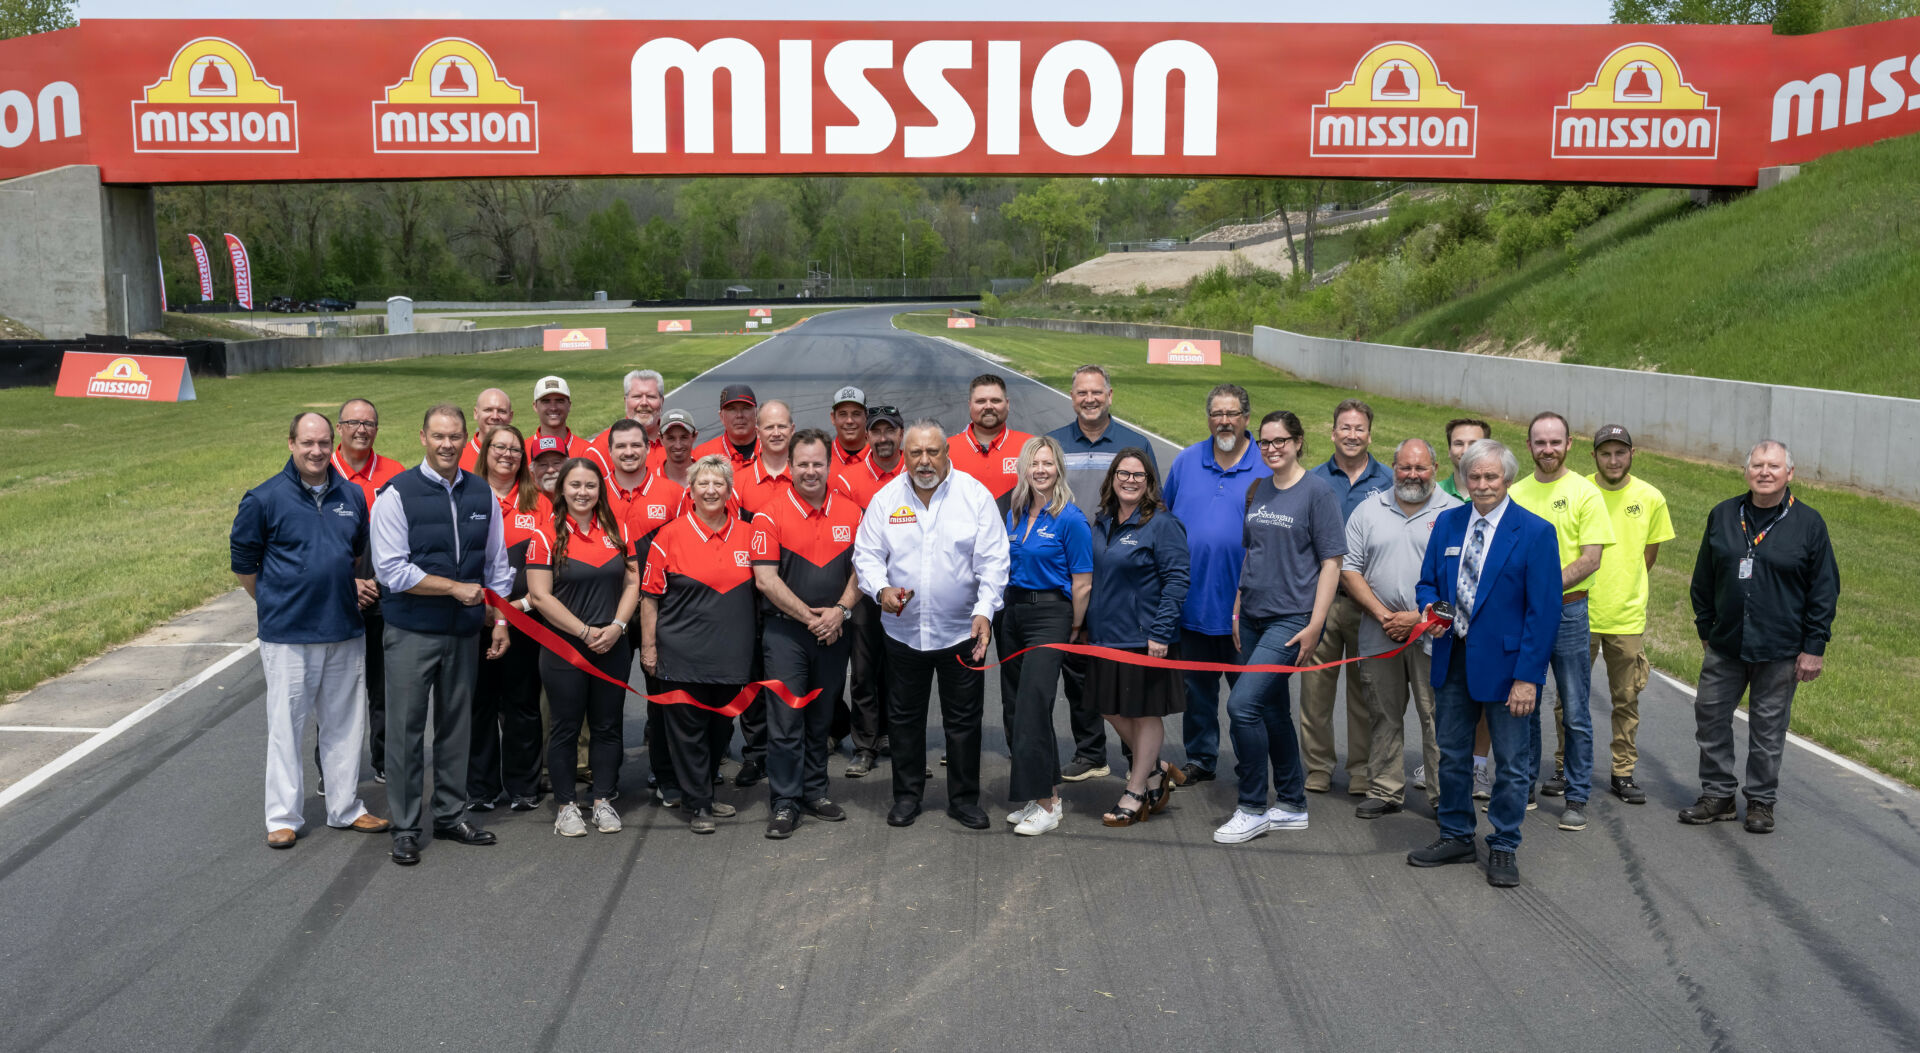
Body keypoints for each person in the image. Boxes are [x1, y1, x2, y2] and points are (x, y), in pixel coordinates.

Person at [231, 412, 390, 848]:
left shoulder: (352, 495)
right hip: (288, 635)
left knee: (344, 725)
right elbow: (244, 564)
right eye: (308, 443)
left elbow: (355, 553)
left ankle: (345, 808)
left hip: (344, 629)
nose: (317, 451)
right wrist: (272, 602)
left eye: (323, 443)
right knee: (287, 727)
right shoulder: (263, 499)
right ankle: (282, 817)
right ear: (291, 444)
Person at [1408, 439, 1562, 888]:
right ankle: (1456, 834)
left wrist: (1528, 679)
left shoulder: (1534, 532)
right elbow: (1426, 583)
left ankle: (1504, 844)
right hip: (1452, 659)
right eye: (1474, 477)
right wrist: (1431, 608)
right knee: (1452, 755)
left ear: (1508, 480)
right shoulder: (1448, 523)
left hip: (1509, 669)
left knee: (1512, 764)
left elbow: (1543, 612)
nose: (1481, 485)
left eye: (1491, 477)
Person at [370, 403, 513, 866]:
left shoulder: (482, 494)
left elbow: (496, 566)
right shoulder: (396, 494)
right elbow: (391, 570)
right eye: (438, 436)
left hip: (464, 633)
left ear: (466, 437)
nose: (447, 444)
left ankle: (450, 816)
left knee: (456, 730)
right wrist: (455, 588)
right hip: (412, 632)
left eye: (455, 436)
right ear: (422, 438)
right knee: (406, 732)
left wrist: (500, 618)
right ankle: (407, 826)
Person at [853, 420, 1009, 830]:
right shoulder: (886, 499)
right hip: (903, 634)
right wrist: (880, 588)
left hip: (961, 631)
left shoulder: (974, 496)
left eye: (932, 452)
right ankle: (906, 797)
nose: (924, 461)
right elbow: (866, 555)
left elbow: (994, 561)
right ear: (904, 456)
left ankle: (963, 799)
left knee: (963, 722)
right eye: (916, 453)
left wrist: (985, 610)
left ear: (947, 453)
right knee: (904, 720)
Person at [1682, 440, 1838, 835]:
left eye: (1774, 466)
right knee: (1710, 718)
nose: (1764, 472)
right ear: (1746, 471)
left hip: (1780, 648)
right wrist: (1706, 628)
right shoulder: (1723, 514)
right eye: (1757, 465)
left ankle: (1761, 801)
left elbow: (1823, 590)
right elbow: (1703, 578)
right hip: (1726, 644)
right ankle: (1717, 795)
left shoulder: (1809, 524)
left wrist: (1813, 648)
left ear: (1790, 474)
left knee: (1768, 730)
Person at [1214, 411, 1345, 845]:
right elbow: (1252, 553)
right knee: (1270, 710)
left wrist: (1315, 624)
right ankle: (1291, 803)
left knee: (1242, 707)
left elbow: (1332, 563)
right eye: (1265, 442)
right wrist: (1236, 606)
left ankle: (1252, 806)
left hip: (1291, 619)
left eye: (1280, 441)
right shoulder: (1260, 489)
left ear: (1299, 442)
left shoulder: (1317, 493)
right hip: (1251, 614)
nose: (1272, 449)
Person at [1045, 363, 1158, 782]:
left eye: (1097, 392)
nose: (1089, 399)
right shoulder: (1054, 443)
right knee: (1078, 663)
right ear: (1071, 397)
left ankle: (1138, 758)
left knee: (1125, 666)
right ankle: (1090, 750)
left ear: (1110, 395)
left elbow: (1153, 505)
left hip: (1121, 567)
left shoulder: (1134, 442)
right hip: (1068, 567)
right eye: (1081, 393)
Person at [749, 429, 861, 838]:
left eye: (818, 464)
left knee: (821, 718)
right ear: (790, 467)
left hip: (835, 632)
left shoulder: (852, 513)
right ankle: (784, 801)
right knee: (785, 720)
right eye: (803, 464)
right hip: (785, 635)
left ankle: (815, 791)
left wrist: (840, 612)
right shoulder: (768, 514)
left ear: (829, 465)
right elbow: (765, 579)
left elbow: (862, 572)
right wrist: (809, 618)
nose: (811, 471)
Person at [1341, 438, 1458, 818]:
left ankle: (1445, 797)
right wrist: (1381, 614)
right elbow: (1349, 568)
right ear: (1394, 468)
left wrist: (1419, 619)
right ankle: (1386, 789)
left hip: (1434, 636)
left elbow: (1461, 581)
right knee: (1383, 713)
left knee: (1436, 716)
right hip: (1380, 632)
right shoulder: (1367, 510)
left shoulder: (1455, 512)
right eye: (1405, 467)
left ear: (1434, 470)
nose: (1412, 475)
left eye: (1420, 468)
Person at [1508, 411, 1614, 832]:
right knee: (1523, 702)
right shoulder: (1514, 492)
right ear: (1529, 445)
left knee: (1574, 709)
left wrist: (1544, 589)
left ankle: (1576, 796)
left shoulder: (1585, 493)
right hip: (1521, 613)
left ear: (1569, 444)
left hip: (1569, 611)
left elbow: (1591, 558)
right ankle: (1525, 787)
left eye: (1555, 442)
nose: (1547, 449)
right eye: (1540, 442)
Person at [641, 454, 757, 833]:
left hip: (731, 656)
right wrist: (649, 647)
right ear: (690, 491)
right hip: (681, 654)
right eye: (703, 484)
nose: (710, 490)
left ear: (729, 490)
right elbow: (650, 597)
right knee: (688, 731)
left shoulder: (747, 534)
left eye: (718, 483)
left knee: (721, 729)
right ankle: (699, 804)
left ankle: (704, 790)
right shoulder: (669, 535)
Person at [528, 458, 640, 838]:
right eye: (574, 485)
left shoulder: (619, 529)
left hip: (613, 645)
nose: (582, 492)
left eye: (590, 485)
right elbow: (540, 597)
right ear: (561, 489)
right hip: (565, 650)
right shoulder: (545, 536)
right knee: (565, 727)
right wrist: (584, 631)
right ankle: (565, 805)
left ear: (599, 490)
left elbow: (631, 584)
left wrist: (618, 626)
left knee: (608, 726)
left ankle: (604, 799)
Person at [1085, 449, 1190, 829]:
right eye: (1123, 473)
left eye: (1139, 475)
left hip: (1146, 638)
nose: (1130, 480)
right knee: (1108, 707)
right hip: (1105, 636)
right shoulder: (1102, 522)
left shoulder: (1162, 524)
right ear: (1112, 478)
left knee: (1145, 712)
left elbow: (1177, 581)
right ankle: (1156, 767)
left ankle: (1136, 789)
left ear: (1149, 483)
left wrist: (1161, 631)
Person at [1163, 383, 1261, 785]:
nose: (1224, 421)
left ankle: (1251, 763)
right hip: (1193, 604)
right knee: (1196, 693)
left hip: (1247, 610)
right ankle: (1201, 758)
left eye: (1232, 413)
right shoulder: (1186, 462)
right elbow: (1165, 520)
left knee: (1247, 699)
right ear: (1208, 419)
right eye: (1217, 414)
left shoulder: (1267, 467)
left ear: (1246, 419)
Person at [995, 436, 1092, 837]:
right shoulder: (1014, 513)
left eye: (1048, 464)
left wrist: (1071, 627)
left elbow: (1082, 583)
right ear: (1024, 468)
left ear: (1058, 469)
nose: (1040, 471)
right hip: (1013, 613)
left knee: (1035, 704)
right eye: (1034, 464)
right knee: (1017, 707)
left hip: (1051, 614)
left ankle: (1049, 805)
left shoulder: (1071, 518)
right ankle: (1044, 792)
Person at [1299, 399, 1393, 797]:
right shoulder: (1313, 479)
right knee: (1315, 691)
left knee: (1364, 692)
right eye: (1345, 428)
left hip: (1366, 604)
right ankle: (1318, 767)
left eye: (1359, 429)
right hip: (1318, 601)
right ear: (1332, 432)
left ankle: (1360, 768)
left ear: (1369, 435)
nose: (1352, 435)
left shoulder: (1389, 480)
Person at [1586, 425, 1674, 805]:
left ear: (1632, 454)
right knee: (1569, 700)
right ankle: (1563, 766)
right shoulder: (1580, 490)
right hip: (1580, 612)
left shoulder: (1651, 498)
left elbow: (1648, 556)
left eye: (1620, 453)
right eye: (1606, 453)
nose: (1613, 460)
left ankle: (1622, 772)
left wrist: (1625, 587)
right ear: (1595, 457)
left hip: (1626, 617)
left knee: (1626, 699)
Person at [468, 424, 550, 813]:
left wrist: (514, 610)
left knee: (522, 703)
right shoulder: (465, 495)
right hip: (473, 618)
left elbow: (551, 567)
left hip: (524, 620)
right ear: (485, 451)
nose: (507, 454)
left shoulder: (541, 504)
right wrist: (482, 609)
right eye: (499, 447)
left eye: (515, 449)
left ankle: (523, 785)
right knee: (479, 703)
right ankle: (480, 788)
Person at [329, 398, 403, 784]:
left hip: (383, 592)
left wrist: (376, 580)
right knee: (336, 687)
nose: (361, 429)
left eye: (369, 423)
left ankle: (383, 758)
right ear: (339, 428)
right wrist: (349, 583)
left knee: (383, 685)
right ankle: (332, 766)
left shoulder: (394, 474)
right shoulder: (321, 473)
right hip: (335, 594)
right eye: (353, 422)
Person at [833, 405, 906, 778]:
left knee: (902, 668)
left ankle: (898, 736)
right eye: (876, 432)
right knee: (862, 671)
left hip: (908, 589)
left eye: (889, 431)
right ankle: (865, 743)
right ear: (868, 436)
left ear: (900, 434)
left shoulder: (916, 472)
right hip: (864, 587)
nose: (882, 438)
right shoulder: (847, 478)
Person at [947, 374, 1032, 513]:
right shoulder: (945, 450)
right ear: (970, 405)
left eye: (995, 400)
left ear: (1007, 404)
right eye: (981, 401)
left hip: (1017, 533)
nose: (988, 406)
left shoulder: (1030, 446)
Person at [593, 369, 667, 475]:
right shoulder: (601, 448)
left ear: (662, 401)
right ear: (625, 401)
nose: (644, 403)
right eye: (637, 396)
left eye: (651, 396)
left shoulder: (677, 443)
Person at [530, 375, 606, 472]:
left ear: (569, 405)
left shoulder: (588, 451)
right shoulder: (522, 451)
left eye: (559, 401)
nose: (553, 407)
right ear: (535, 406)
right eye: (546, 401)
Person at [738, 399, 795, 515]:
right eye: (769, 427)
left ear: (792, 430)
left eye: (782, 426)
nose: (776, 433)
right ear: (758, 433)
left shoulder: (808, 478)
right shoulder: (738, 482)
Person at [692, 383, 762, 471]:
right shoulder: (702, 455)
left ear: (756, 413)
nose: (739, 415)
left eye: (746, 408)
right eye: (732, 409)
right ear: (721, 416)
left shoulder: (773, 449)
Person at [459, 388, 514, 472]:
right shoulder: (458, 458)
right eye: (488, 410)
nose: (495, 416)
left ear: (510, 416)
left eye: (501, 411)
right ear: (476, 413)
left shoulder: (520, 457)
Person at [1439, 418, 1490, 501]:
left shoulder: (1498, 497)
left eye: (1473, 444)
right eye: (1458, 444)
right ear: (1449, 450)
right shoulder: (1433, 494)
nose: (1465, 451)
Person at [829, 385, 870, 468]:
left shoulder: (880, 455)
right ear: (833, 418)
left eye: (856, 414)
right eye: (843, 414)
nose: (849, 421)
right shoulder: (821, 456)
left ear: (866, 417)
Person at [658, 409, 699, 488]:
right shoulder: (650, 481)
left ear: (694, 436)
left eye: (684, 437)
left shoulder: (710, 478)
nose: (678, 446)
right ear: (660, 438)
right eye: (671, 438)